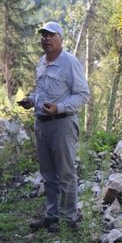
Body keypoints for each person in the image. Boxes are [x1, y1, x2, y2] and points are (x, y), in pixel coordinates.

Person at [17, 21, 90, 232]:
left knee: (66, 173)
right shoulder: (42, 62)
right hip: (42, 124)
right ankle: (52, 216)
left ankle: (69, 219)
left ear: (60, 38)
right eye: (43, 36)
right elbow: (42, 92)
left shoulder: (70, 63)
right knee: (48, 174)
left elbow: (83, 95)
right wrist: (31, 100)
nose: (46, 39)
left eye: (50, 35)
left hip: (62, 124)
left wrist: (59, 107)